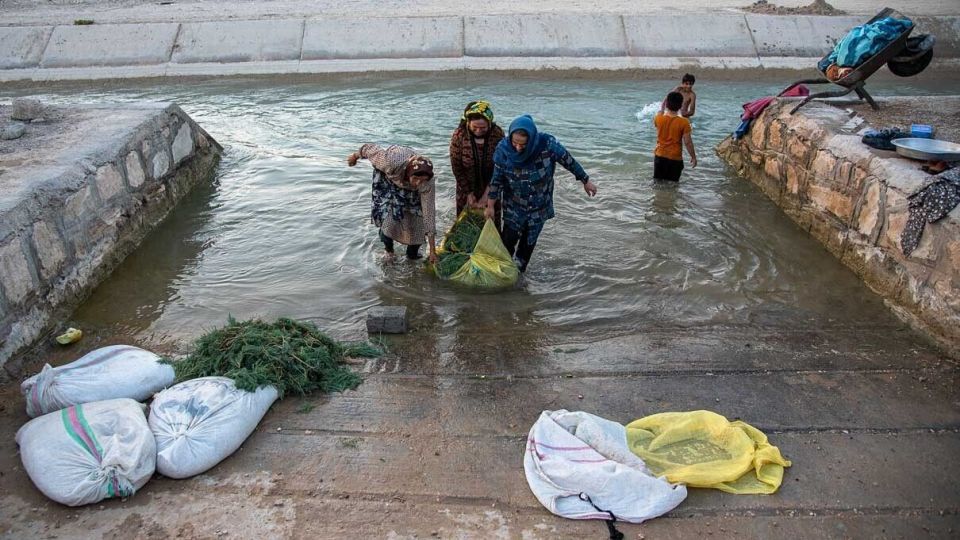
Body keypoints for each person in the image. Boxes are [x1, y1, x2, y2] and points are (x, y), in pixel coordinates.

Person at [484, 115, 598, 273]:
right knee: (506, 244)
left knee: (526, 248)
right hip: (514, 207)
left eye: (523, 145)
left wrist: (585, 180)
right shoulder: (503, 150)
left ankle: (518, 280)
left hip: (539, 207)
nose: (517, 148)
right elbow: (496, 180)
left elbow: (568, 160)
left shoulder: (547, 145)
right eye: (514, 143)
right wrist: (490, 205)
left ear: (531, 139)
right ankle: (501, 278)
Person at [347, 144, 437, 264]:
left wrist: (432, 250)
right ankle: (389, 251)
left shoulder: (427, 183)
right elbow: (369, 149)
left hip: (409, 187)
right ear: (410, 173)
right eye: (416, 179)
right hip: (389, 178)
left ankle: (412, 255)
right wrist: (355, 156)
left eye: (422, 180)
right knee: (388, 220)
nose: (418, 183)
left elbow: (429, 212)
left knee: (417, 221)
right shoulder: (389, 161)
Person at [449, 101, 505, 224]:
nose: (478, 131)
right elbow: (457, 168)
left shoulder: (497, 134)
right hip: (466, 187)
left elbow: (500, 167)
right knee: (467, 225)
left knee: (491, 223)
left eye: (483, 128)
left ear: (490, 123)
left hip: (492, 185)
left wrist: (488, 194)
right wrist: (469, 194)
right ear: (467, 122)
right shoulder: (459, 135)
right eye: (475, 127)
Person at [653, 92, 697, 182]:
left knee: (657, 184)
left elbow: (660, 113)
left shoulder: (658, 118)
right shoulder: (684, 122)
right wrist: (693, 157)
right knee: (673, 186)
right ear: (681, 106)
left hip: (660, 156)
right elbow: (688, 142)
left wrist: (662, 107)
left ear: (667, 104)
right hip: (675, 158)